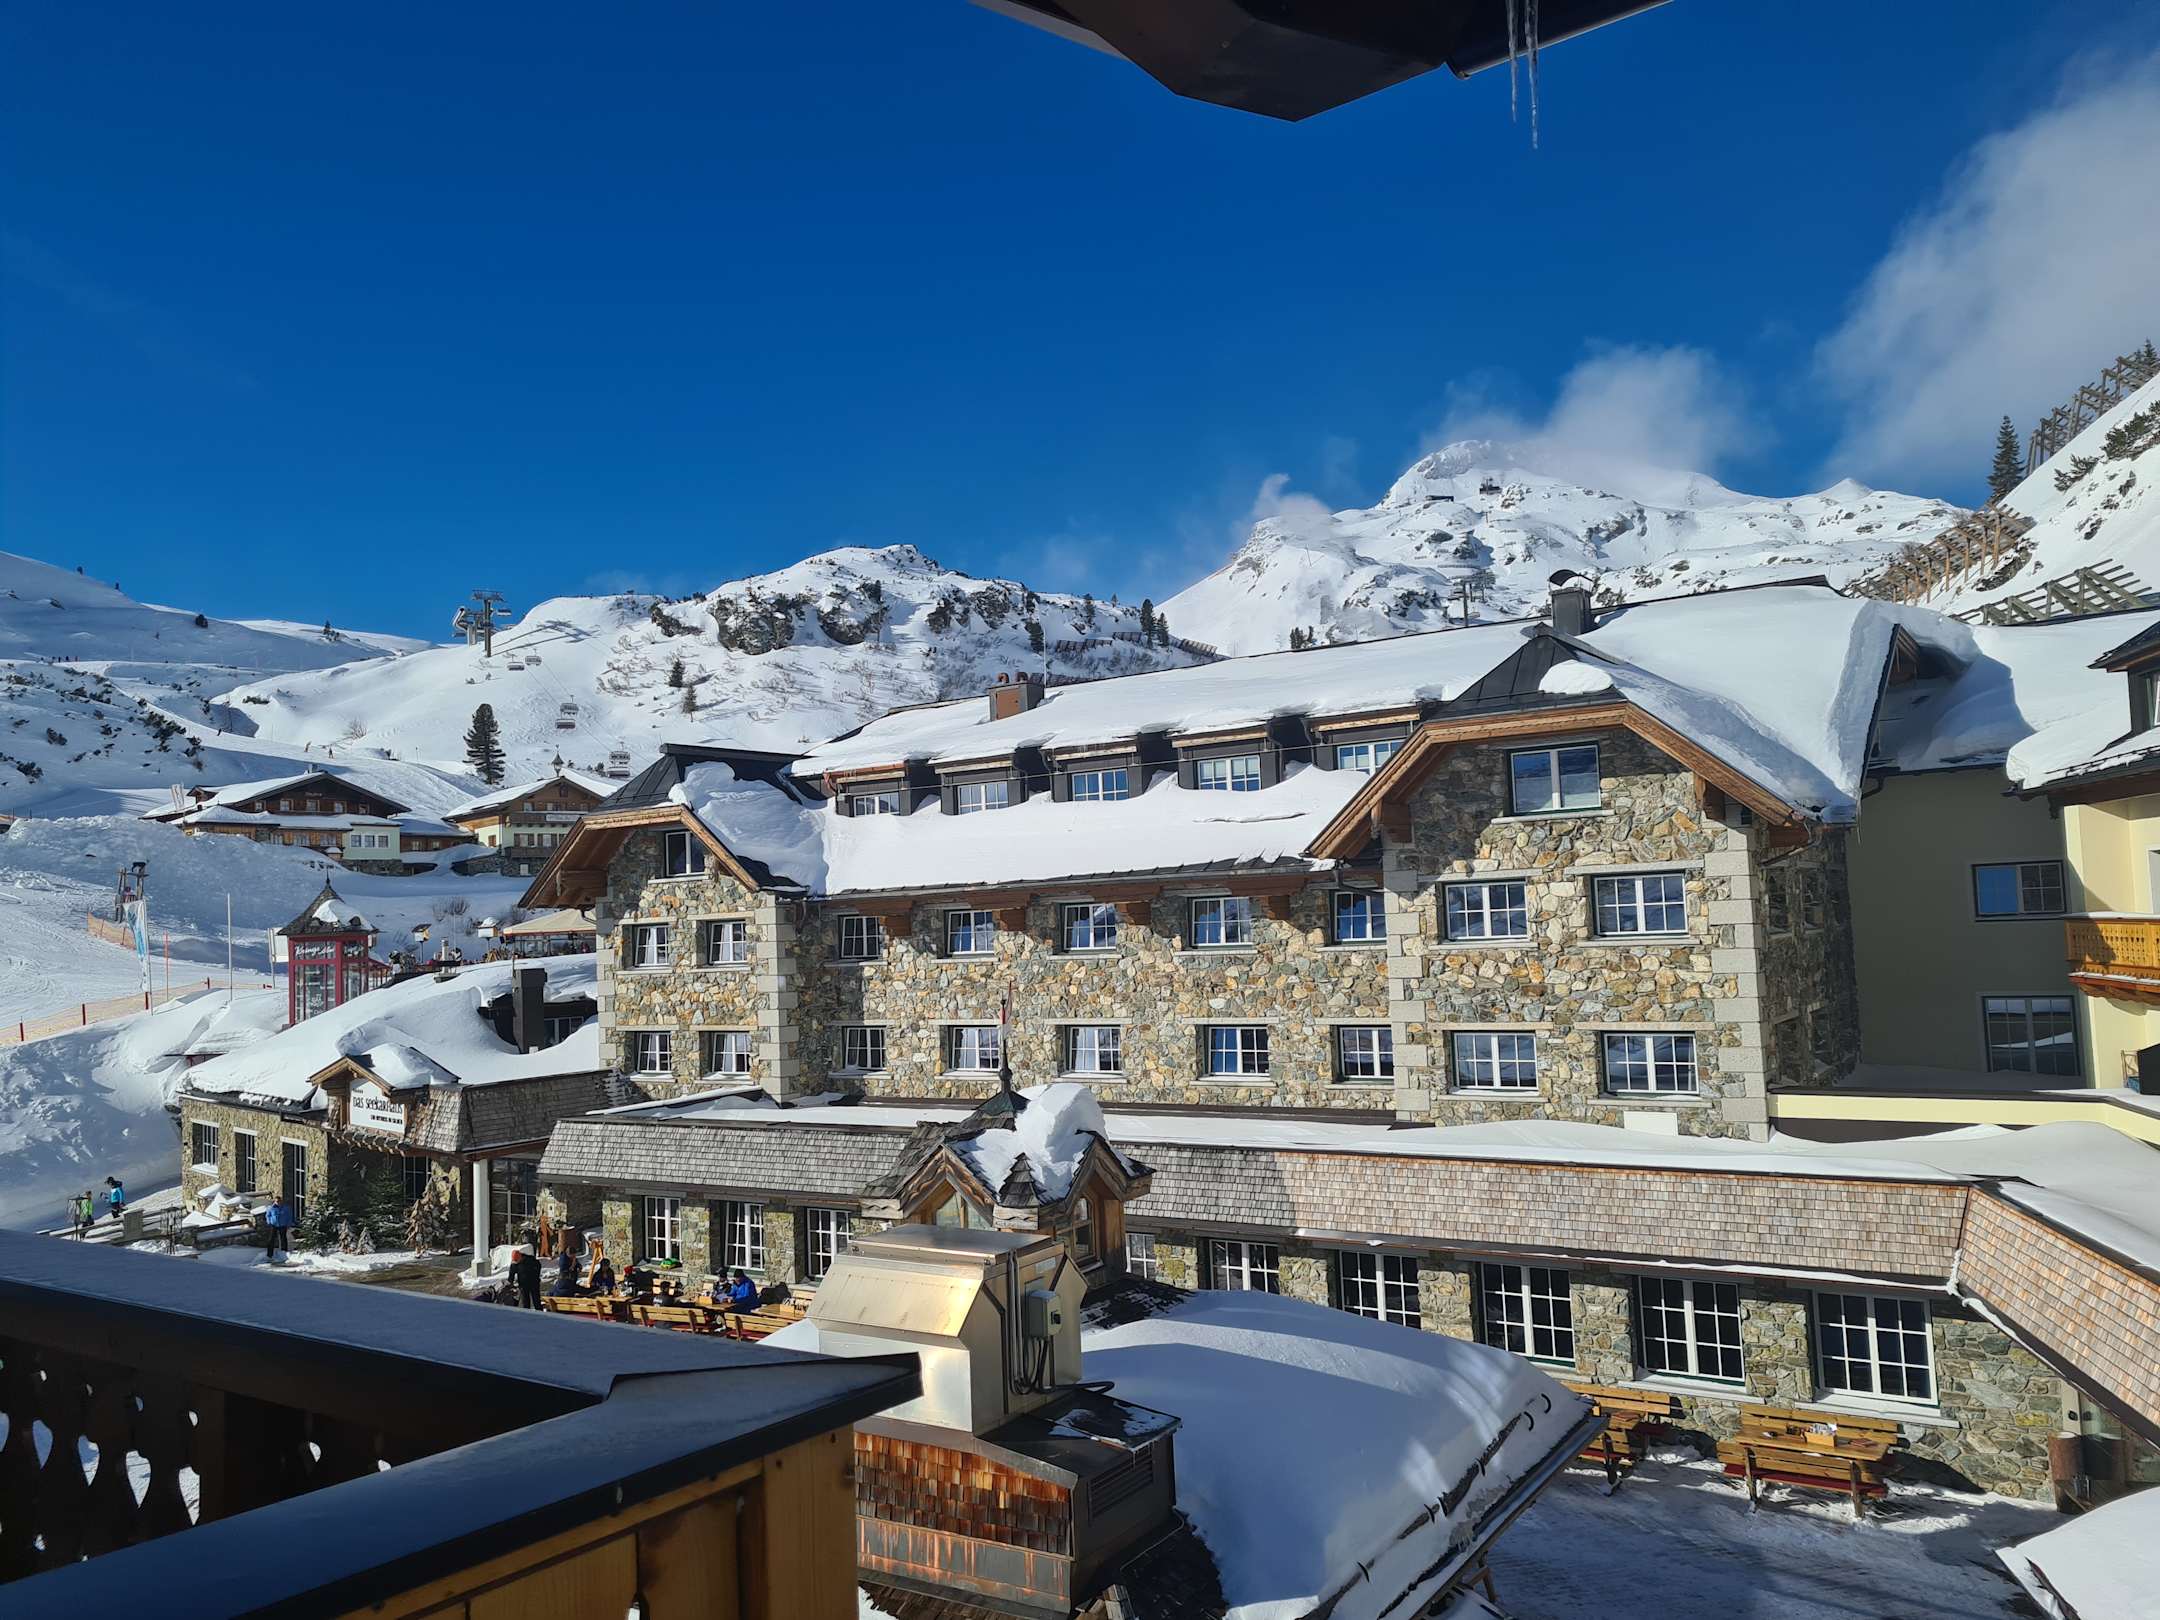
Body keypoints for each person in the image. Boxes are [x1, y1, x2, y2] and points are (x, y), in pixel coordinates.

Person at [511, 1246, 543, 1310]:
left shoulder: (530, 1259)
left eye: (517, 1260)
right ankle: (527, 1312)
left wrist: (536, 1275)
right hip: (523, 1285)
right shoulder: (514, 1264)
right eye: (515, 1260)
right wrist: (510, 1284)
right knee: (525, 1302)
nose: (516, 1261)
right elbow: (511, 1274)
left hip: (534, 1283)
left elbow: (538, 1265)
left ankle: (539, 1312)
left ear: (520, 1256)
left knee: (536, 1301)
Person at [262, 1193, 292, 1261]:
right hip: (274, 1225)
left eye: (279, 1201)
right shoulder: (271, 1208)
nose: (278, 1202)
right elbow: (268, 1215)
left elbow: (289, 1216)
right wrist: (269, 1222)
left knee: (283, 1238)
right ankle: (269, 1254)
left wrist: (288, 1224)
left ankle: (284, 1252)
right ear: (274, 1201)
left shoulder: (286, 1208)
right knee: (271, 1239)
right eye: (276, 1201)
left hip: (283, 1225)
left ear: (281, 1201)